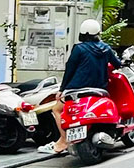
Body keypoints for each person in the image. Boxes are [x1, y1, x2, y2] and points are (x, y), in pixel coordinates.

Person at [40, 19, 122, 154]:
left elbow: (70, 69)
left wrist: (62, 89)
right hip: (99, 89)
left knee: (57, 109)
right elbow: (118, 64)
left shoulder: (79, 49)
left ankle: (63, 140)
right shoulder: (106, 49)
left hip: (76, 88)